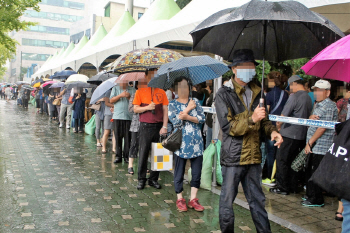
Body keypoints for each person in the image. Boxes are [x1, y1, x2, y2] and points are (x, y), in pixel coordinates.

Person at [215, 49, 283, 233]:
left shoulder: (257, 91)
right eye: (245, 67)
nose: (249, 70)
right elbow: (228, 127)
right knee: (227, 202)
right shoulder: (223, 94)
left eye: (252, 67)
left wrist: (273, 132)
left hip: (253, 157)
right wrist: (252, 118)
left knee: (258, 202)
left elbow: (265, 121)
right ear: (235, 69)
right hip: (233, 157)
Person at [168, 76, 206, 212]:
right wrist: (188, 109)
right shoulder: (172, 104)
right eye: (180, 86)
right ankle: (180, 198)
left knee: (196, 173)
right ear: (176, 89)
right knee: (179, 172)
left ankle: (193, 199)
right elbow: (176, 122)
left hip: (197, 143)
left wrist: (187, 116)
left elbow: (202, 119)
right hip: (181, 145)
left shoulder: (195, 101)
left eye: (186, 86)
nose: (184, 89)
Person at [270, 75, 312, 195]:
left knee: (282, 160)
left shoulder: (294, 96)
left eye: (291, 86)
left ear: (294, 84)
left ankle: (282, 187)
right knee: (294, 163)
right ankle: (293, 186)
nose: (290, 89)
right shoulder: (308, 97)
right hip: (301, 135)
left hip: (288, 134)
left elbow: (284, 115)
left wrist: (278, 127)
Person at [301, 80, 338, 207]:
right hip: (313, 144)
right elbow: (314, 120)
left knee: (315, 172)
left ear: (327, 93)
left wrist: (310, 142)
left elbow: (322, 128)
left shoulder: (328, 106)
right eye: (315, 90)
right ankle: (311, 195)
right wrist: (310, 118)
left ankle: (316, 198)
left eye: (320, 90)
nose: (316, 93)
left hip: (320, 146)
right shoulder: (318, 104)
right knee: (310, 170)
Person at [133, 68, 169, 190]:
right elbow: (135, 109)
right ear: (146, 77)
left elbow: (165, 110)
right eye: (151, 75)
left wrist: (165, 126)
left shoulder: (162, 92)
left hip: (159, 127)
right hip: (145, 126)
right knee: (143, 153)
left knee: (159, 154)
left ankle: (153, 179)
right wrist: (147, 107)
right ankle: (141, 179)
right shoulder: (140, 91)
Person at [263, 71, 289, 185]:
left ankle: (269, 177)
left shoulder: (269, 95)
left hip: (271, 127)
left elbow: (266, 112)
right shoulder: (286, 94)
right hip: (282, 126)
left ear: (272, 81)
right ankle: (277, 176)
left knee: (270, 153)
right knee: (279, 154)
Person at [110, 81, 135, 164]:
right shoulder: (115, 89)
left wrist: (128, 97)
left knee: (128, 138)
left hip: (129, 117)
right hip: (117, 116)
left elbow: (135, 102)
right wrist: (120, 95)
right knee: (118, 137)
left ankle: (127, 156)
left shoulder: (133, 90)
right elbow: (111, 100)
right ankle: (118, 156)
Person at [128, 81, 144, 175]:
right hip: (136, 123)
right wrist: (139, 106)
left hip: (147, 123)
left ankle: (143, 166)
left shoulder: (150, 95)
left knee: (144, 146)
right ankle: (130, 165)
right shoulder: (134, 95)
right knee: (134, 144)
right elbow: (130, 109)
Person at [101, 90, 116, 154]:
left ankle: (114, 148)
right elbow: (106, 103)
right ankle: (103, 147)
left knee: (114, 132)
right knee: (106, 131)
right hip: (108, 114)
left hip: (115, 114)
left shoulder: (118, 90)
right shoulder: (108, 92)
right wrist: (114, 106)